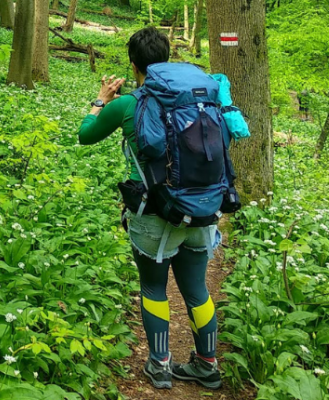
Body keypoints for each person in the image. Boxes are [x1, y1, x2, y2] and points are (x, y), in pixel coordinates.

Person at [77, 27, 222, 390]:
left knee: (154, 288)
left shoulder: (129, 104)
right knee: (196, 288)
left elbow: (85, 134)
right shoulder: (200, 99)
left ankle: (159, 364)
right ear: (168, 57)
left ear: (133, 63)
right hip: (201, 205)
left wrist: (99, 101)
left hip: (152, 211)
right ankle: (207, 363)